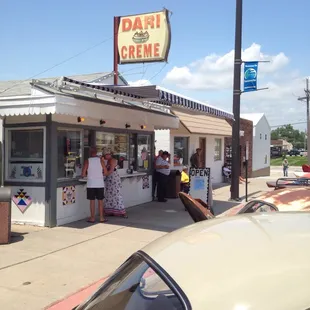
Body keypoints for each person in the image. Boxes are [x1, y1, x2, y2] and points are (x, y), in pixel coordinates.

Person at [82, 147, 107, 223]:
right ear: (96, 152)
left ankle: (92, 218)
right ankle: (101, 218)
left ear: (90, 153)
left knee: (92, 201)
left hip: (91, 184)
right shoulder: (101, 161)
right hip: (100, 183)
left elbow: (83, 174)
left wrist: (88, 174)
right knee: (100, 201)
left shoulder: (87, 161)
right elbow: (105, 172)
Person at [104, 150, 127, 218]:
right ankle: (110, 210)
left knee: (116, 195)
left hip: (113, 179)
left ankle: (121, 211)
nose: (105, 156)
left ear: (110, 154)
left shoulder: (112, 160)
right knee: (109, 195)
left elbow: (111, 170)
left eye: (106, 155)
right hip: (109, 179)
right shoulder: (108, 161)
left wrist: (104, 174)